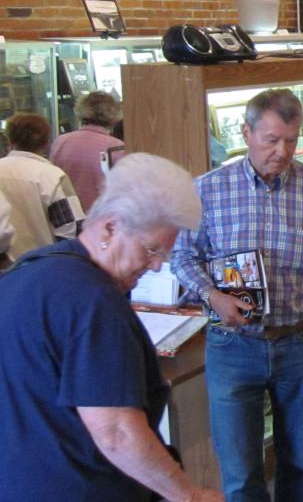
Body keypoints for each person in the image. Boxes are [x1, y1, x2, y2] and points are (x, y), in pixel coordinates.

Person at [0, 153, 222, 501]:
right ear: (109, 226)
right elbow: (116, 432)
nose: (154, 266)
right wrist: (188, 495)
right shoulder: (93, 300)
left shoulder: (29, 271)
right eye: (151, 251)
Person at [172, 89, 303, 502]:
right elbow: (182, 256)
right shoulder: (208, 189)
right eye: (271, 140)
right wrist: (213, 296)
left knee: (299, 461)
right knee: (240, 469)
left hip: (297, 342)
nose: (282, 151)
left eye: (291, 139)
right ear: (246, 133)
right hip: (233, 347)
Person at [0, 113, 85, 259]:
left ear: (9, 140)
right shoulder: (52, 176)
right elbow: (71, 229)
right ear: (46, 142)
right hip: (42, 264)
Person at [50, 91, 127, 211]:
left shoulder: (60, 142)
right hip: (101, 216)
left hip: (66, 215)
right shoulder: (116, 147)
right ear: (114, 113)